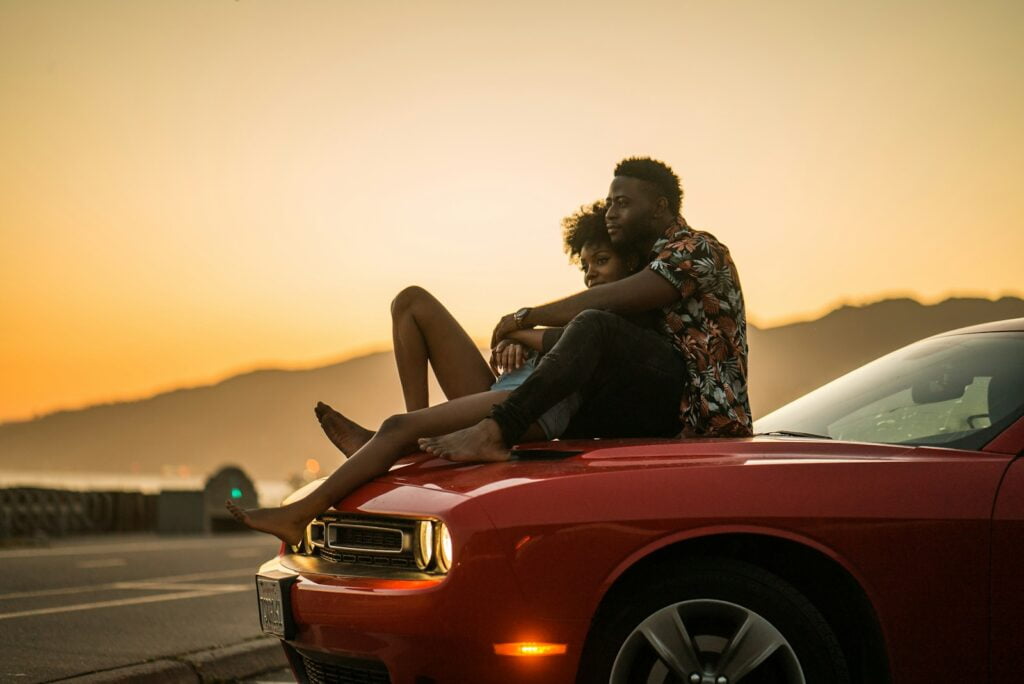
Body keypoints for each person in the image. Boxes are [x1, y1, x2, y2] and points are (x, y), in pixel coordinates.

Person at [227, 203, 644, 545]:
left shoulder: (623, 316)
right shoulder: (576, 316)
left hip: (530, 409)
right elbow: (548, 341)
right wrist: (518, 343)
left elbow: (582, 344)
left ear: (630, 266)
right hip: (503, 388)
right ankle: (404, 443)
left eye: (602, 262)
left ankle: (301, 513)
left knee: (397, 426)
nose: (591, 273)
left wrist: (523, 333)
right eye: (586, 265)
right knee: (410, 302)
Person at [419, 156, 751, 461]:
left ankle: (495, 430)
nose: (610, 214)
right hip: (652, 407)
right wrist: (522, 337)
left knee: (595, 323)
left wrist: (525, 318)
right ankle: (433, 433)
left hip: (708, 417)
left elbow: (605, 303)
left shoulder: (696, 249)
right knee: (576, 378)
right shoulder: (647, 261)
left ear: (658, 207)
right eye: (609, 204)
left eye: (622, 204)